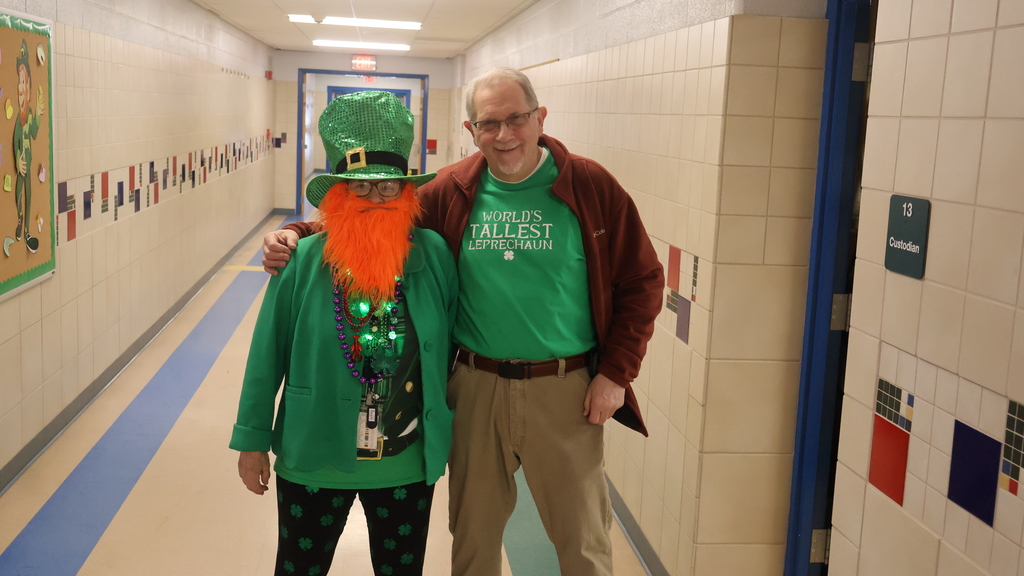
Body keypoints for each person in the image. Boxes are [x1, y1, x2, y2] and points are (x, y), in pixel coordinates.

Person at [264, 68, 664, 576]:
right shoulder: (451, 189)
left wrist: (616, 373)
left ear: (539, 118)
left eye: (516, 118)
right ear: (470, 129)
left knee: (583, 541)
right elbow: (371, 211)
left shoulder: (588, 185)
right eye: (488, 123)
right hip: (475, 386)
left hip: (566, 387)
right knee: (473, 538)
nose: (504, 135)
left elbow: (643, 280)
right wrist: (297, 234)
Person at [231, 90, 457, 576]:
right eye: (360, 187)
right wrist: (252, 440)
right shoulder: (304, 260)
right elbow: (265, 355)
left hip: (406, 463)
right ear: (338, 194)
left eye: (387, 187)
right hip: (313, 454)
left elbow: (457, 345)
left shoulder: (434, 255)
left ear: (407, 191)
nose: (375, 199)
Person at [14, 39, 42, 253]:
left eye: (25, 82)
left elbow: (33, 134)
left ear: (30, 88)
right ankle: (20, 218)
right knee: (19, 190)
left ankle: (28, 231)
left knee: (29, 193)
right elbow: (16, 140)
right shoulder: (18, 120)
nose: (21, 88)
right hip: (22, 164)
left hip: (30, 165)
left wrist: (39, 115)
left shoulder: (29, 115)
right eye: (19, 82)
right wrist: (16, 158)